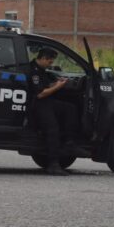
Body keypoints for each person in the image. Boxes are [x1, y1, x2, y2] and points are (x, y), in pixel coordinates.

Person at [29, 47, 87, 176]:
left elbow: (46, 86)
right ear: (43, 58)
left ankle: (69, 142)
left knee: (70, 109)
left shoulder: (42, 70)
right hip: (38, 104)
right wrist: (58, 87)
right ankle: (53, 165)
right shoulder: (34, 71)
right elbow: (40, 94)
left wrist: (56, 82)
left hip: (48, 102)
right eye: (50, 62)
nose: (51, 64)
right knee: (52, 130)